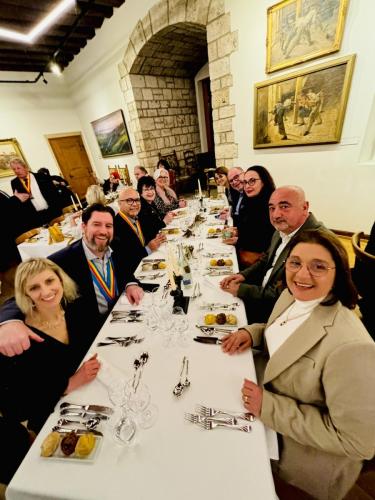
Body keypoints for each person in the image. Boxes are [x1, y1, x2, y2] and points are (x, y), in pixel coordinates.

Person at [221, 229, 375, 500]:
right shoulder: (292, 296)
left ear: (338, 272)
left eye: (318, 266)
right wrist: (252, 332)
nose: (302, 275)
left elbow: (358, 442)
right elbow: (282, 334)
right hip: (259, 410)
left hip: (298, 464)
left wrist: (268, 406)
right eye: (295, 263)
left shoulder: (352, 347)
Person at [0, 203, 144, 357]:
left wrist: (131, 284)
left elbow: (125, 269)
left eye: (108, 225)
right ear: (83, 227)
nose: (103, 231)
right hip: (93, 334)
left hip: (124, 313)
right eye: (97, 224)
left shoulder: (116, 245)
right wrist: (8, 321)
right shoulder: (62, 260)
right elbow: (25, 293)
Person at [0, 258, 101, 434]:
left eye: (49, 281)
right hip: (55, 419)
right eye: (34, 287)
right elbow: (15, 409)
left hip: (93, 391)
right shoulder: (19, 339)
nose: (46, 291)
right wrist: (67, 385)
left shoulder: (75, 308)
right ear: (25, 294)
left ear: (60, 280)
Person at [220, 186, 325, 323]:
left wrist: (242, 290)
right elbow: (265, 260)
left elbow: (287, 297)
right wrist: (243, 275)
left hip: (282, 317)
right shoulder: (283, 229)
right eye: (272, 208)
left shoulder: (316, 246)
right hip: (263, 294)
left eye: (284, 206)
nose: (276, 215)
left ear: (305, 207)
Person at [229, 166, 276, 268]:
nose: (247, 186)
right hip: (245, 253)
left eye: (252, 181)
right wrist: (237, 232)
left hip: (255, 264)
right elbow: (250, 230)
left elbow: (264, 241)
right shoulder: (251, 202)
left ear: (264, 181)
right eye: (245, 182)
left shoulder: (270, 206)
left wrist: (238, 240)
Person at [113, 187, 166, 274]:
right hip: (134, 274)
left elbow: (142, 240)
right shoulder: (116, 226)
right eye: (129, 200)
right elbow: (125, 259)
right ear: (119, 203)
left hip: (147, 265)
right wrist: (148, 248)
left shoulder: (136, 218)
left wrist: (157, 238)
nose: (135, 204)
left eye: (137, 200)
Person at [10, 158, 62, 230]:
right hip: (35, 218)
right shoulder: (14, 182)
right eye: (14, 169)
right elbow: (19, 201)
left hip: (52, 211)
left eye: (18, 168)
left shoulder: (41, 176)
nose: (16, 171)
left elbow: (54, 194)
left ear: (26, 168)